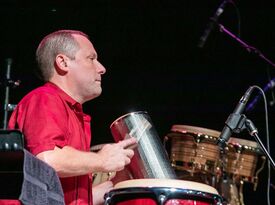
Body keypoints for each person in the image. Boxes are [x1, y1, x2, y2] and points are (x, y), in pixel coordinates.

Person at [8, 30, 137, 205]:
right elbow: (46, 160)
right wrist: (101, 159)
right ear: (63, 62)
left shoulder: (74, 114)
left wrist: (119, 182)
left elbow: (71, 198)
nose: (101, 68)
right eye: (91, 59)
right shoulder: (45, 98)